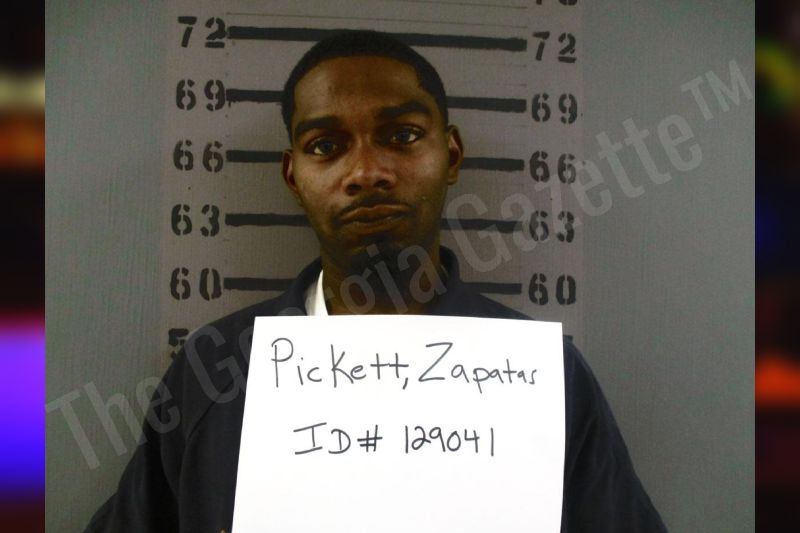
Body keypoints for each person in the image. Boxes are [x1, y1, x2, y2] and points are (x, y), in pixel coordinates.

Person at [85, 30, 667, 532]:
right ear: (293, 175)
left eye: (402, 135)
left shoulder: (548, 378)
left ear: (451, 154)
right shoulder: (213, 372)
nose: (366, 172)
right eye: (326, 146)